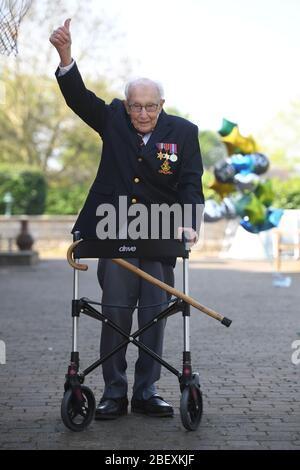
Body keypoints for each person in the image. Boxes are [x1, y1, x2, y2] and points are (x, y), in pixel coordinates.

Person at [50, 19, 204, 420]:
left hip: (160, 231)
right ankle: (114, 392)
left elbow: (190, 182)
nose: (142, 113)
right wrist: (66, 57)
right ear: (127, 104)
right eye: (136, 105)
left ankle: (146, 390)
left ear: (162, 105)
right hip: (112, 229)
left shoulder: (184, 132)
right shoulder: (113, 118)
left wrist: (190, 222)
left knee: (155, 312)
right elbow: (80, 99)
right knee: (116, 311)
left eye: (150, 106)